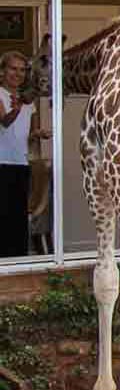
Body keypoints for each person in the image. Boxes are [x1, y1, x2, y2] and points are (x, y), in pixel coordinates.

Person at [0, 51, 50, 257]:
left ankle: (18, 260)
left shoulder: (30, 103)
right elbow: (5, 121)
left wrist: (39, 133)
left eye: (22, 70)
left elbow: (29, 135)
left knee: (18, 216)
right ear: (2, 71)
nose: (18, 74)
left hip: (20, 164)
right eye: (13, 68)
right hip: (1, 163)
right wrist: (18, 105)